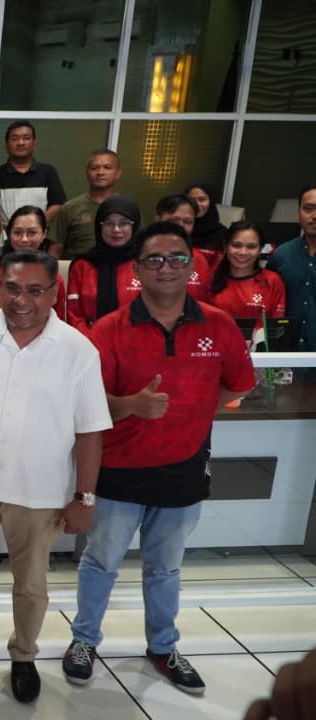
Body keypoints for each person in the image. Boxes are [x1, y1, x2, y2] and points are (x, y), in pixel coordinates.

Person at [63, 221, 255, 696]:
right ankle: (84, 641)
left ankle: (163, 646)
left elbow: (237, 384)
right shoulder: (110, 329)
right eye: (154, 259)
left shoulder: (219, 325)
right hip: (119, 472)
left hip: (183, 470)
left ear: (192, 266)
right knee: (101, 562)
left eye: (177, 258)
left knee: (166, 569)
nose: (165, 268)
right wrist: (132, 405)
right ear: (137, 269)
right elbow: (87, 403)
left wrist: (195, 412)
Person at [0, 249, 111, 703]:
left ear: (53, 293)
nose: (21, 300)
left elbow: (90, 431)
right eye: (12, 288)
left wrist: (85, 498)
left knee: (31, 584)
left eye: (34, 290)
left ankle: (24, 654)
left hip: (39, 490)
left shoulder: (77, 350)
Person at [0, 121, 67, 257]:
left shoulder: (48, 172)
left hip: (38, 243)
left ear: (34, 143)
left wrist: (36, 225)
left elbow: (58, 205)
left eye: (26, 138)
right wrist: (11, 229)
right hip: (5, 242)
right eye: (14, 138)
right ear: (6, 145)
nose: (20, 143)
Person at [65, 195, 142, 336]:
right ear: (99, 226)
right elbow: (73, 315)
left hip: (136, 342)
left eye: (124, 223)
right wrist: (93, 341)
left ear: (134, 226)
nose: (116, 229)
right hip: (87, 342)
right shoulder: (82, 265)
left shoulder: (145, 264)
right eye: (108, 223)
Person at [0, 206, 66, 318]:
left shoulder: (53, 277)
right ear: (9, 234)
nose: (24, 239)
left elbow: (58, 320)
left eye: (32, 232)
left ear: (44, 234)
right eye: (17, 232)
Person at [264, 185, 316, 352]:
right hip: (286, 353)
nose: (314, 216)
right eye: (308, 209)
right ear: (298, 213)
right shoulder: (282, 254)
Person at [47, 149, 123, 260]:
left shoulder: (127, 208)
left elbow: (137, 247)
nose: (100, 172)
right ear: (87, 173)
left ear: (118, 173)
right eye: (94, 168)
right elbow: (55, 250)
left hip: (116, 267)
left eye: (107, 167)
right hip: (75, 268)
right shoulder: (70, 208)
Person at [207, 220, 286, 321]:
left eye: (251, 247)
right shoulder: (210, 278)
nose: (243, 252)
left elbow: (277, 325)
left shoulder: (273, 281)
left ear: (260, 249)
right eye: (236, 245)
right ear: (225, 247)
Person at [154, 194, 214, 298]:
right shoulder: (140, 256)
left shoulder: (199, 260)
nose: (180, 226)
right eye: (173, 220)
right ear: (158, 220)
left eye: (187, 222)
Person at [185, 181, 227, 259]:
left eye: (202, 199)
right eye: (192, 200)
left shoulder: (223, 235)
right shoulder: (179, 231)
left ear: (211, 201)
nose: (197, 204)